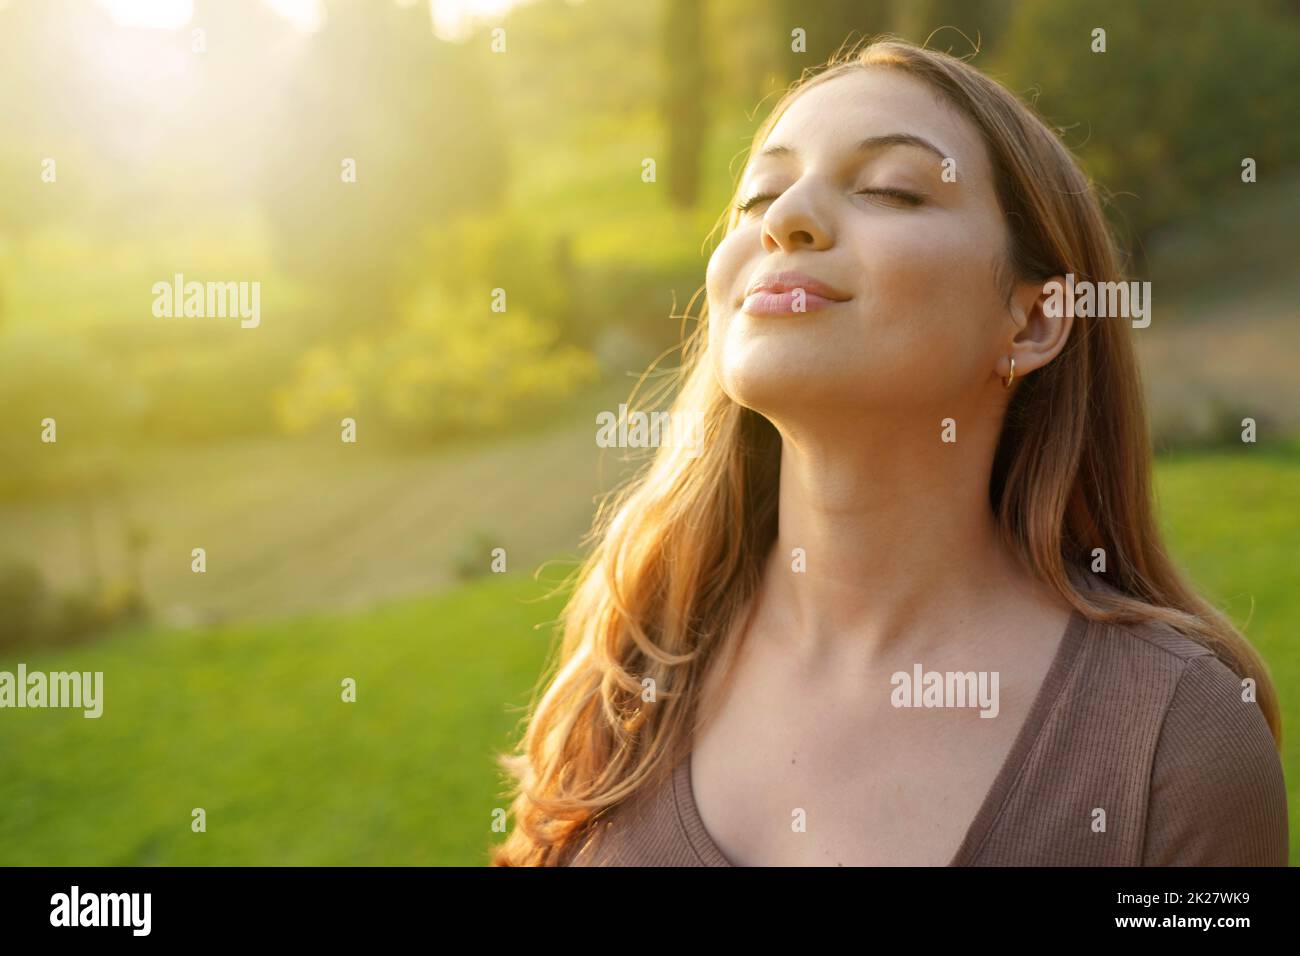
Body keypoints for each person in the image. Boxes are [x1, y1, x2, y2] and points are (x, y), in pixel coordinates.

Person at [491, 37, 1287, 867]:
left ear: (1035, 320)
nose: (786, 220)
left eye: (889, 190)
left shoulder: (1172, 738)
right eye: (760, 194)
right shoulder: (632, 663)